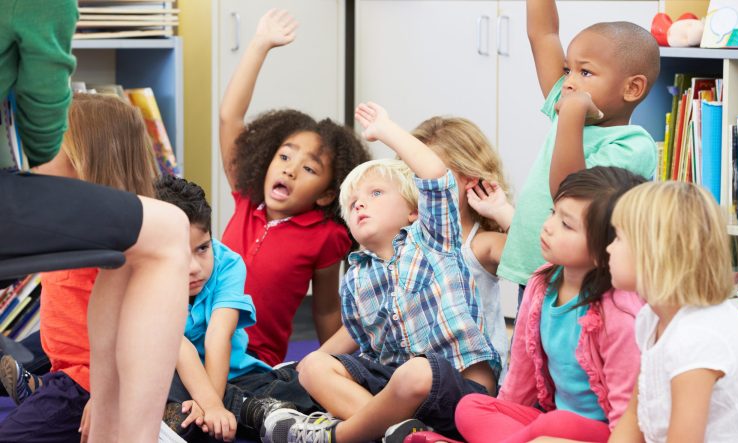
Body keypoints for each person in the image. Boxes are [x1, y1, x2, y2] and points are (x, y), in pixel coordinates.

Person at [0, 2, 190, 441]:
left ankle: (125, 415)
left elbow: (172, 340)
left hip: (78, 380)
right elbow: (43, 134)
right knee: (163, 232)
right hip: (69, 371)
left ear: (87, 161)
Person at [260, 102, 500, 443]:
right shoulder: (356, 277)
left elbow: (434, 176)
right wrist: (304, 370)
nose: (360, 203)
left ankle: (338, 436)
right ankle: (402, 434)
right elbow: (365, 349)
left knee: (417, 371)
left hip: (459, 389)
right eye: (353, 201)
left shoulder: (433, 240)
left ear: (414, 211)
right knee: (314, 365)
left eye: (375, 194)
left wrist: (387, 131)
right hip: (396, 393)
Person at [218, 8, 370, 367]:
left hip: (254, 359)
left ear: (326, 194)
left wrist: (332, 365)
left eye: (308, 168)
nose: (289, 171)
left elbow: (327, 309)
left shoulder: (326, 235)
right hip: (201, 339)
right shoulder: (246, 199)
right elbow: (230, 117)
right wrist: (259, 45)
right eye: (285, 157)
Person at [454, 167, 645, 443]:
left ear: (607, 246)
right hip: (547, 424)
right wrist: (506, 412)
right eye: (553, 213)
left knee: (556, 424)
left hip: (604, 433)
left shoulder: (618, 311)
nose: (549, 226)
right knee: (471, 407)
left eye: (567, 224)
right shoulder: (541, 284)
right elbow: (520, 377)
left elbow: (627, 412)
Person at [496, 0, 660, 304]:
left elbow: (569, 196)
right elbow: (543, 34)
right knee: (529, 350)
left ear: (632, 89)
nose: (568, 83)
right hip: (537, 273)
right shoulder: (571, 105)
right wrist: (571, 110)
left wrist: (570, 114)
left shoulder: (633, 145)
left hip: (585, 284)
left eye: (585, 72)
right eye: (567, 70)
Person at [603, 182, 738, 442]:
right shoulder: (651, 319)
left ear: (655, 253)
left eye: (618, 238)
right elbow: (633, 420)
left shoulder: (697, 337)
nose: (609, 248)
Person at [151, 175, 273, 443]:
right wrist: (209, 404)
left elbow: (219, 333)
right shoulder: (146, 273)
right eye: (181, 254)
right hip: (169, 371)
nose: (195, 267)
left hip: (231, 375)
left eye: (203, 248)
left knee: (291, 386)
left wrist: (212, 404)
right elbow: (177, 346)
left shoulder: (229, 264)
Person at [413, 117, 514, 373]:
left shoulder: (480, 245)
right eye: (412, 175)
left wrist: (502, 213)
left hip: (471, 376)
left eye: (429, 176)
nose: (423, 187)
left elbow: (539, 257)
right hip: (415, 372)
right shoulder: (406, 243)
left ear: (469, 178)